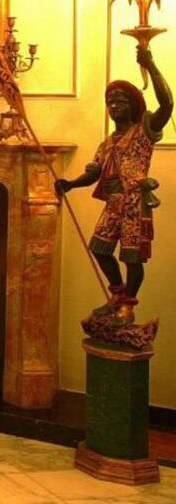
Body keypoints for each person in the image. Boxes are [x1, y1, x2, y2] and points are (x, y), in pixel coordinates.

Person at [55, 46, 173, 326]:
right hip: (114, 202)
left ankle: (128, 306)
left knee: (132, 256)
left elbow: (168, 104)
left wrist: (151, 65)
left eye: (119, 101)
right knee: (99, 248)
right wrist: (70, 184)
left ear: (132, 105)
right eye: (109, 102)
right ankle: (117, 295)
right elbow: (93, 173)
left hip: (134, 202)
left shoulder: (143, 130)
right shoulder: (106, 143)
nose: (113, 106)